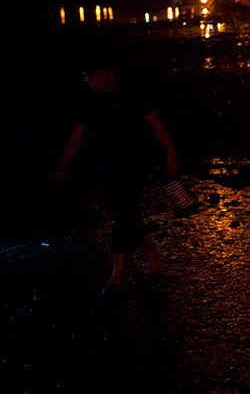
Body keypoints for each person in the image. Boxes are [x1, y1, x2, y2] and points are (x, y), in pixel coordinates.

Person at [54, 51, 180, 293]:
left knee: (123, 217)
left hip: (133, 164)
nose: (93, 81)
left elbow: (156, 123)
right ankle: (155, 262)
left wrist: (171, 154)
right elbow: (76, 136)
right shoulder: (88, 100)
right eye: (88, 77)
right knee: (127, 215)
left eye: (98, 76)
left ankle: (116, 277)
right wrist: (63, 166)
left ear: (111, 73)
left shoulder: (131, 93)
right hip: (106, 167)